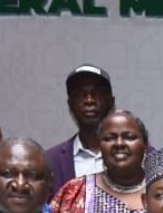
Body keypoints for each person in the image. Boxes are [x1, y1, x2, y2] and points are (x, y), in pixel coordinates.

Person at [46, 64, 115, 193]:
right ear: (70, 104)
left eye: (97, 93)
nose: (89, 100)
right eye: (80, 94)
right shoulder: (50, 161)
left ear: (111, 102)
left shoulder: (144, 157)